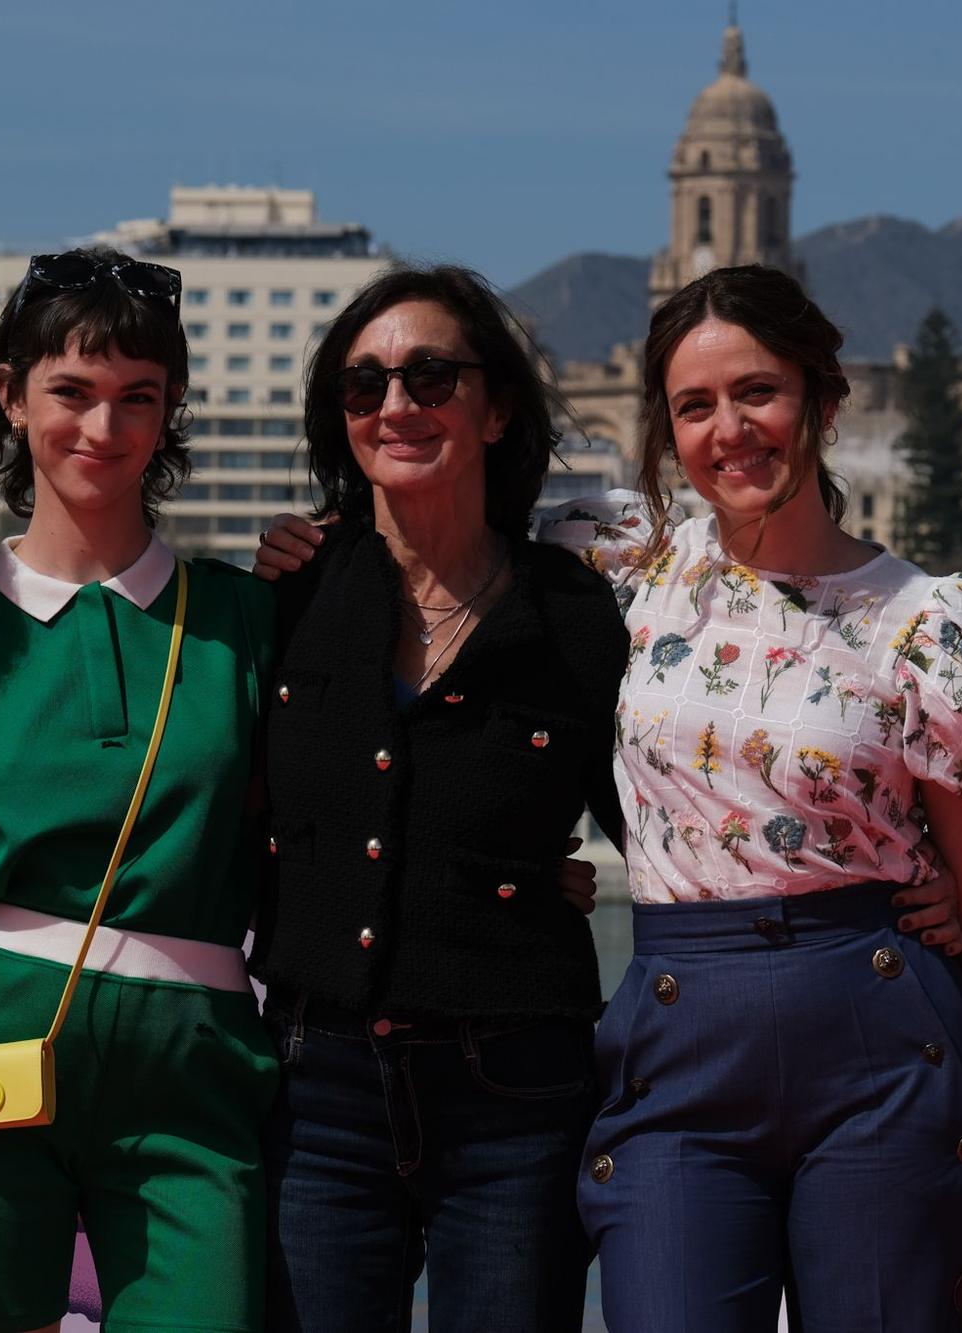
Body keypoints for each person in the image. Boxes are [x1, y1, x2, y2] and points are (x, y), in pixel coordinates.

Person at [259, 263, 962, 1331]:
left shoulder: (935, 628)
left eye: (757, 393)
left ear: (822, 401)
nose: (729, 430)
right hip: (676, 1053)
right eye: (694, 406)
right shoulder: (621, 574)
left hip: (881, 1047)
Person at [0, 247, 279, 1333]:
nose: (102, 428)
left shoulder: (251, 620)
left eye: (136, 399)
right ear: (9, 396)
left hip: (198, 1060)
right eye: (70, 392)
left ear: (170, 411)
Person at [248, 265, 628, 1332]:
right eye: (363, 387)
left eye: (428, 376)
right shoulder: (291, 594)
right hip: (317, 1086)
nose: (396, 406)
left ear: (496, 407)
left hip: (518, 1092)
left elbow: (672, 826)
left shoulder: (579, 617)